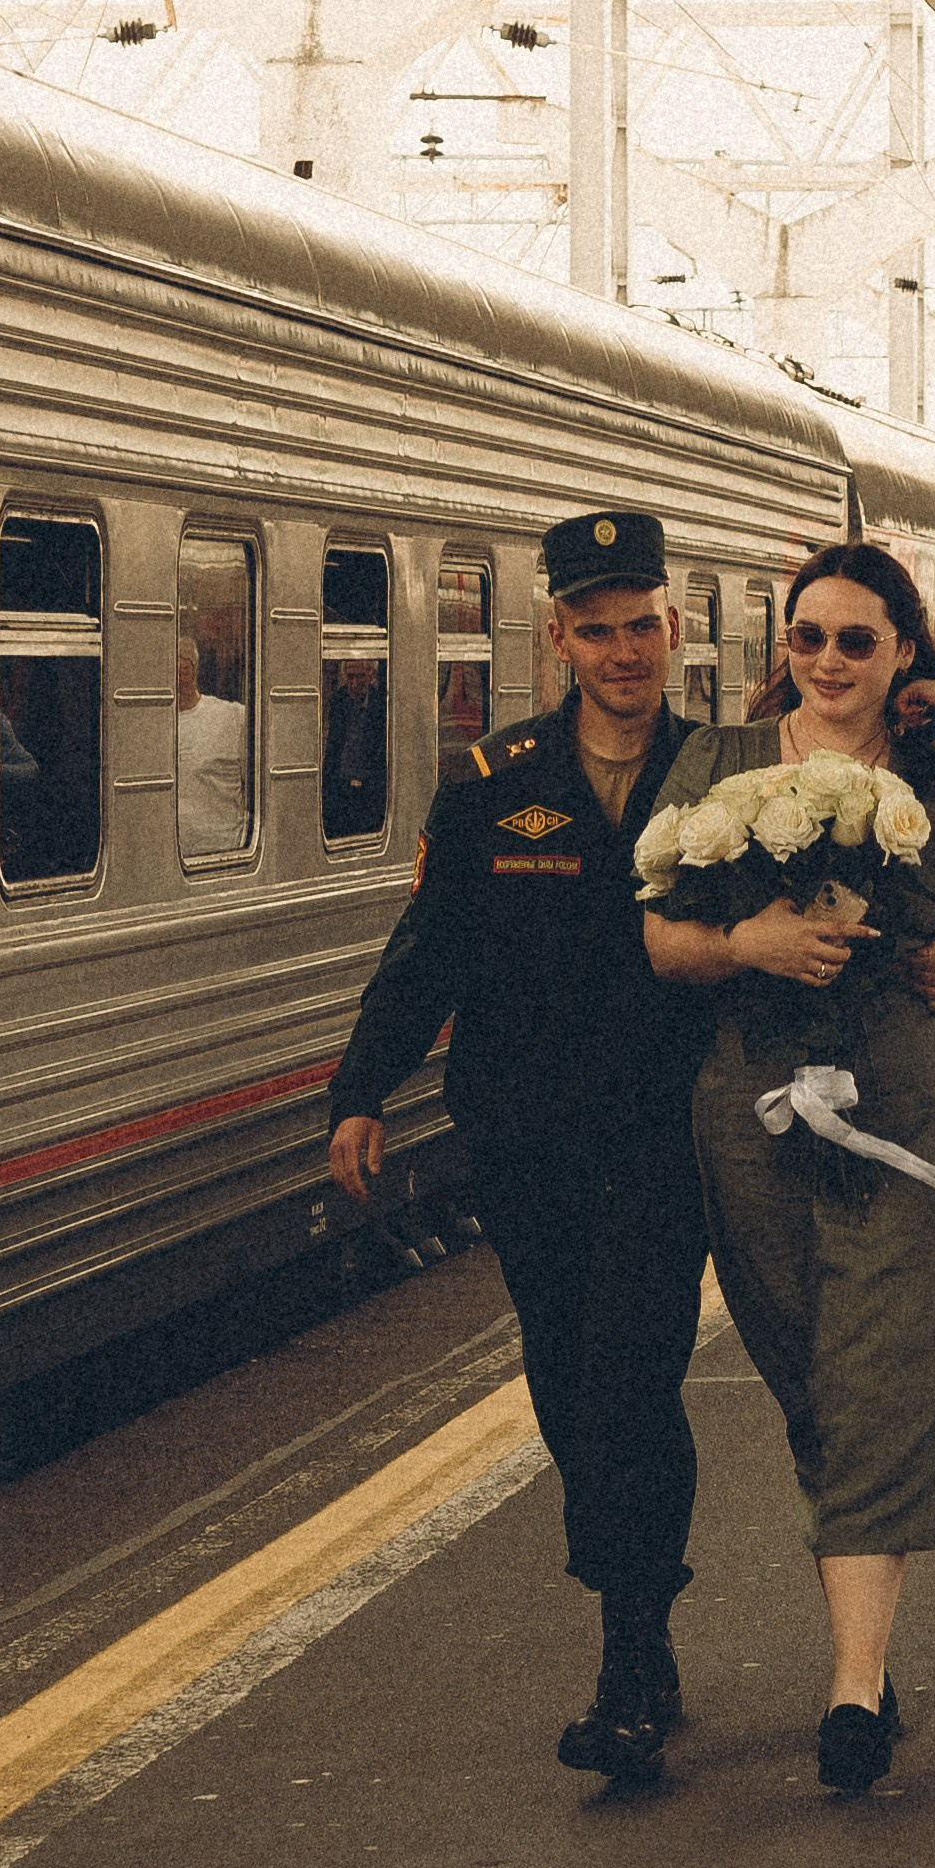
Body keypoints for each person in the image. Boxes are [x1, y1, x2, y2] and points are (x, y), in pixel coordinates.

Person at [643, 542, 935, 1794]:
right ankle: (865, 1647)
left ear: (899, 649)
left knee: (887, 1369)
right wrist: (747, 942)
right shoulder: (719, 761)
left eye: (858, 640)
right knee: (808, 1367)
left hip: (905, 1096)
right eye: (808, 636)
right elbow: (660, 937)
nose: (828, 660)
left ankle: (851, 1690)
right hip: (754, 1100)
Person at [327, 511, 715, 1787]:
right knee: (564, 1379)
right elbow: (430, 946)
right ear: (557, 637)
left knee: (631, 1378)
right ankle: (634, 1616)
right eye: (596, 630)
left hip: (663, 1133)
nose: (623, 651)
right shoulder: (496, 780)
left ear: (673, 627)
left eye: (640, 626)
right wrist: (361, 1091)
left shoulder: (720, 778)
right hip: (527, 1135)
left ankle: (631, 1649)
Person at [174, 638, 248, 857]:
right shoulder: (150, 725)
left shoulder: (232, 717)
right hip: (172, 857)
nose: (181, 667)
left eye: (185, 661)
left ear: (192, 668)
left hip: (225, 854)